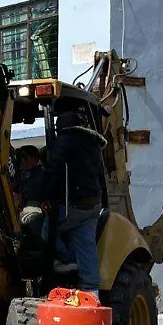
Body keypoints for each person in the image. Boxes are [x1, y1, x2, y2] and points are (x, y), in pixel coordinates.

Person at [41, 108, 107, 295]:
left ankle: (68, 260)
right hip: (93, 203)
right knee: (86, 244)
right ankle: (92, 289)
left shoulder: (65, 139)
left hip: (74, 204)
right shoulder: (94, 143)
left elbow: (54, 169)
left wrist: (45, 197)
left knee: (46, 230)